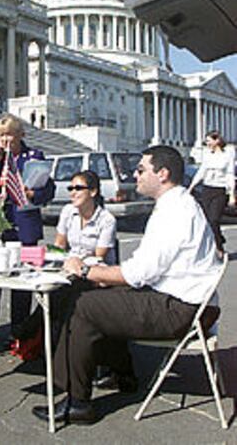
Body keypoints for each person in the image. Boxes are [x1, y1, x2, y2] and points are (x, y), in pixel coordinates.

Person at [32, 146, 221, 425]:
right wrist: (100, 275)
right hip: (184, 299)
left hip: (181, 308)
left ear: (163, 173)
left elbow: (139, 273)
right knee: (101, 293)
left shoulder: (175, 211)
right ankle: (122, 373)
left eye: (142, 169)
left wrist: (86, 269)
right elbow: (146, 267)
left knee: (84, 306)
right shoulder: (177, 205)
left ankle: (77, 400)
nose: (136, 174)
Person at [15, 170, 116, 344]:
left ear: (93, 192)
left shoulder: (107, 219)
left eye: (78, 188)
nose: (72, 193)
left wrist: (76, 261)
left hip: (95, 272)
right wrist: (49, 253)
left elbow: (99, 256)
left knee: (61, 293)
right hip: (69, 267)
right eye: (70, 188)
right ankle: (44, 336)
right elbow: (60, 244)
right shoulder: (68, 211)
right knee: (49, 286)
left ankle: (33, 330)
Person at [0, 114, 55, 345]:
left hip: (24, 225)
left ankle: (19, 329)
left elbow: (48, 189)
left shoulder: (34, 157)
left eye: (9, 135)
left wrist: (35, 194)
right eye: (1, 135)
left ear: (20, 135)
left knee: (21, 280)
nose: (5, 140)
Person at [188, 130, 235, 256]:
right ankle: (218, 244)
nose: (207, 143)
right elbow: (201, 171)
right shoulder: (207, 153)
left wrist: (231, 194)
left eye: (209, 140)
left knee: (214, 219)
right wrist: (191, 186)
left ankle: (219, 243)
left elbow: (230, 174)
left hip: (220, 190)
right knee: (207, 220)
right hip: (207, 189)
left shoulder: (228, 154)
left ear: (217, 141)